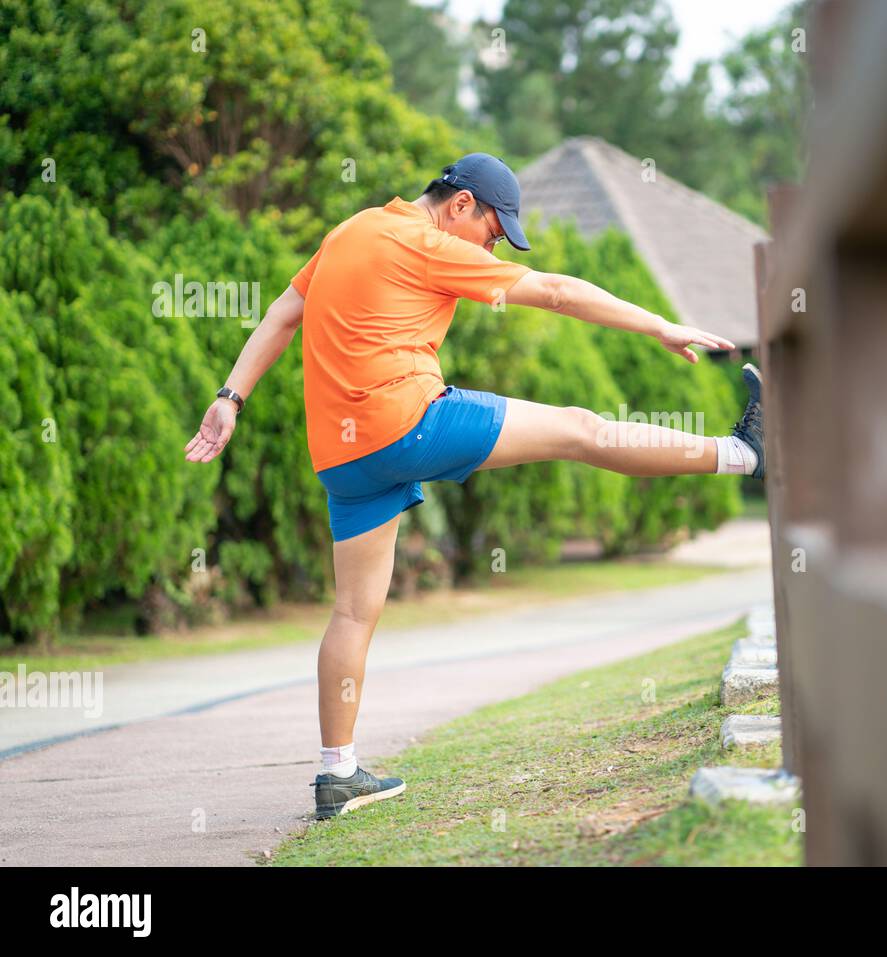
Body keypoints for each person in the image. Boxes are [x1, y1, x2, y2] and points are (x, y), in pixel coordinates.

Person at [184, 152, 764, 821]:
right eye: (491, 233)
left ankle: (336, 773)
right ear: (460, 204)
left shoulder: (350, 232)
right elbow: (554, 292)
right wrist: (657, 324)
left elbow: (285, 313)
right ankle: (744, 454)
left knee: (351, 612)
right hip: (409, 422)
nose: (490, 249)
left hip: (345, 458)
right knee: (580, 429)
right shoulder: (426, 241)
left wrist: (231, 396)